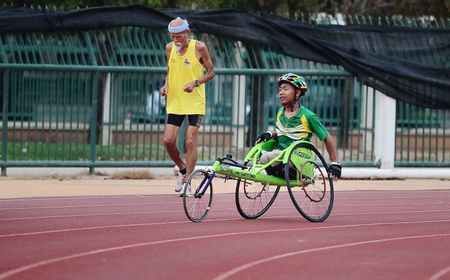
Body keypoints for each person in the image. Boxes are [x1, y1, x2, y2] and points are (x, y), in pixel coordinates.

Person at [159, 17, 215, 196]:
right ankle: (182, 169)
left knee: (190, 141)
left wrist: (196, 82)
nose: (176, 40)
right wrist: (166, 85)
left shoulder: (199, 47)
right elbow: (170, 71)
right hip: (175, 102)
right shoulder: (169, 49)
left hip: (194, 102)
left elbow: (211, 72)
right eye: (173, 36)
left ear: (187, 32)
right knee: (168, 141)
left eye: (179, 36)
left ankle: (188, 182)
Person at [255, 73, 342, 180]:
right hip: (280, 155)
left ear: (297, 93)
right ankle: (277, 172)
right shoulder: (280, 113)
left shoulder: (308, 116)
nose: (281, 93)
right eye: (280, 89)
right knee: (259, 151)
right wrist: (269, 134)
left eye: (285, 89)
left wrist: (334, 162)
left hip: (298, 157)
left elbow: (326, 137)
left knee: (267, 157)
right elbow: (283, 132)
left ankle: (291, 173)